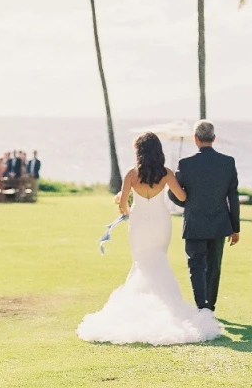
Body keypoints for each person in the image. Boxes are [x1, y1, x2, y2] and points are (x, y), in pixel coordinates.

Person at [77, 132, 221, 345]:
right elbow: (182, 197)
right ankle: (168, 304)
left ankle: (139, 304)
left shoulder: (131, 175)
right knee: (159, 258)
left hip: (139, 223)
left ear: (139, 152)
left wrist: (125, 209)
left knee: (142, 262)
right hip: (161, 221)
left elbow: (123, 204)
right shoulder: (166, 173)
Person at [168, 121, 240, 321]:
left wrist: (189, 204)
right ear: (214, 138)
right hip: (219, 223)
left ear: (195, 139)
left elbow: (174, 194)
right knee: (214, 266)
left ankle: (202, 307)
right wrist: (235, 228)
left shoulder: (185, 164)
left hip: (194, 223)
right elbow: (232, 197)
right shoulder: (228, 162)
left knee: (196, 266)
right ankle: (211, 306)